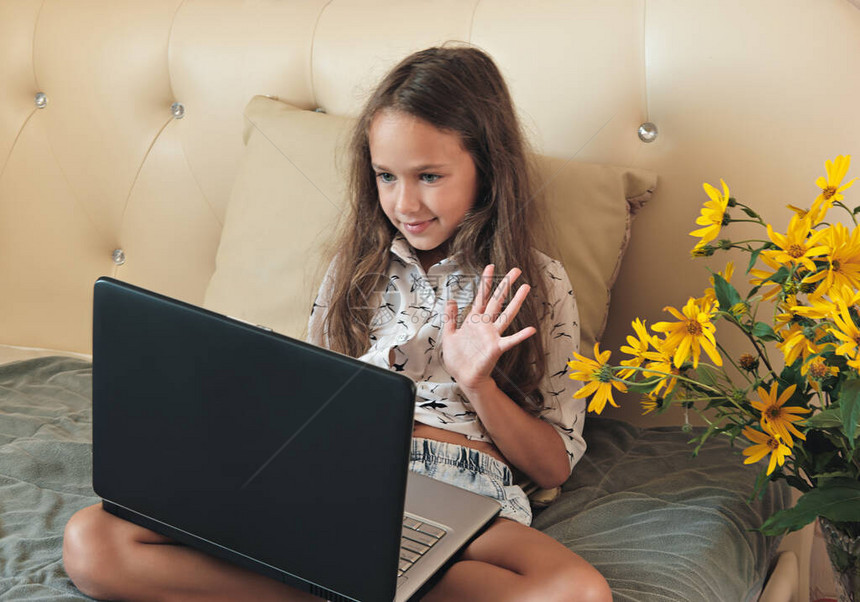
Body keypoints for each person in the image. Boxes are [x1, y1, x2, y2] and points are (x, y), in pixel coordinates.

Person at [63, 45, 611, 602]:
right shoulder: (352, 269)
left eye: (429, 175)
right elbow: (310, 408)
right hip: (336, 487)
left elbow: (552, 467)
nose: (405, 202)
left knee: (576, 593)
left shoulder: (536, 282)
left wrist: (479, 384)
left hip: (461, 487)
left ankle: (329, 588)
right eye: (386, 176)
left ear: (487, 167)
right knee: (93, 540)